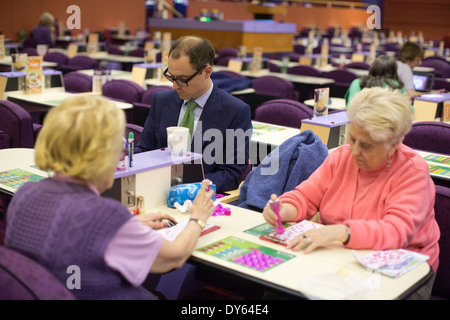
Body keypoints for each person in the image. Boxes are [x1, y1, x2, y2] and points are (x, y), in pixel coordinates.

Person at [4, 96, 215, 300]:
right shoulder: (105, 216)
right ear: (103, 154)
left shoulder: (25, 194)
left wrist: (127, 225)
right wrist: (198, 217)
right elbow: (174, 257)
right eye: (119, 149)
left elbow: (69, 238)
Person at [263, 87, 440, 299]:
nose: (354, 151)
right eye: (352, 139)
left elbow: (396, 232)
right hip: (342, 258)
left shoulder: (413, 172)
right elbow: (306, 197)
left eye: (366, 145)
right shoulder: (341, 157)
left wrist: (341, 232)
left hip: (404, 272)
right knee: (279, 290)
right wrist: (285, 208)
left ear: (393, 145)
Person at [134, 35, 252, 193]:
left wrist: (183, 187)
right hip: (153, 191)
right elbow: (144, 150)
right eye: (171, 77)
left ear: (207, 71)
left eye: (182, 79)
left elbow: (231, 174)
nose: (175, 86)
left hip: (197, 195)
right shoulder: (161, 101)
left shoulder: (235, 111)